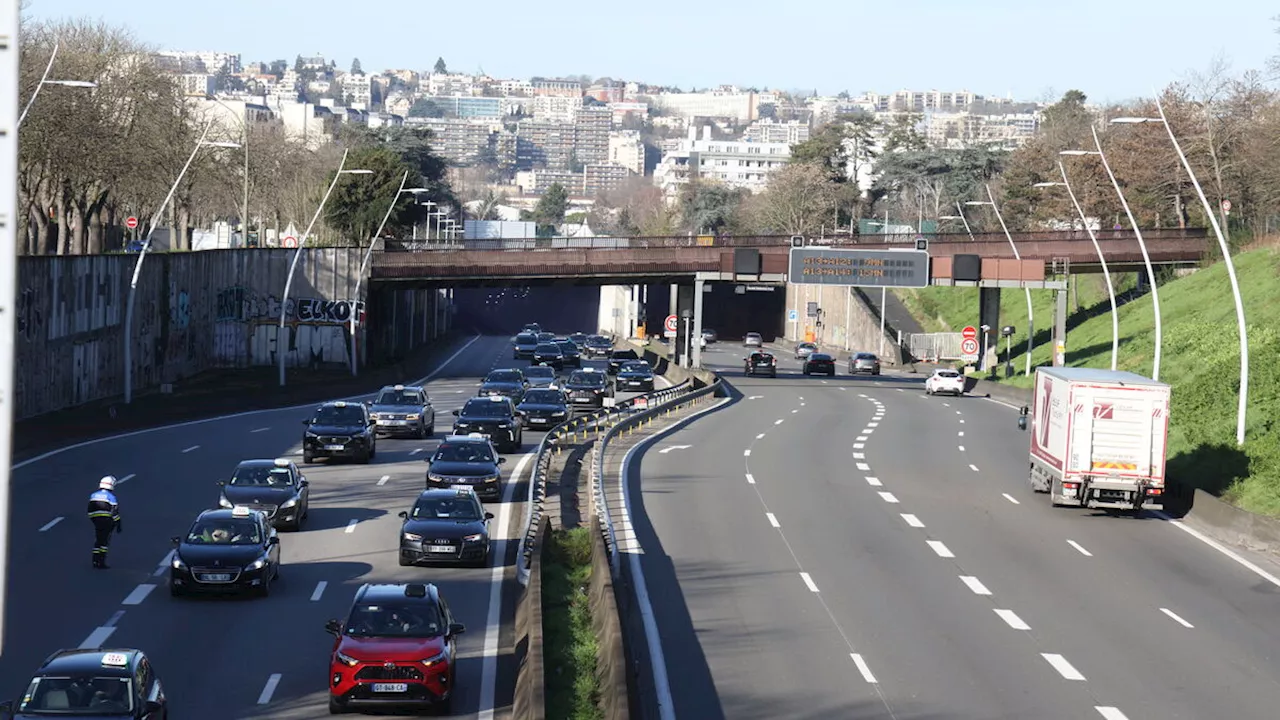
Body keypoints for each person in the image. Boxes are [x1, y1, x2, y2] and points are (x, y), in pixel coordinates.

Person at [86, 476, 121, 569]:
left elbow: (89, 509)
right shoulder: (111, 497)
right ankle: (101, 562)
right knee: (104, 542)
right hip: (107, 521)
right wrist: (118, 523)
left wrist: (93, 519)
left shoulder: (93, 495)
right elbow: (114, 512)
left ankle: (95, 560)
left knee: (98, 540)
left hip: (96, 520)